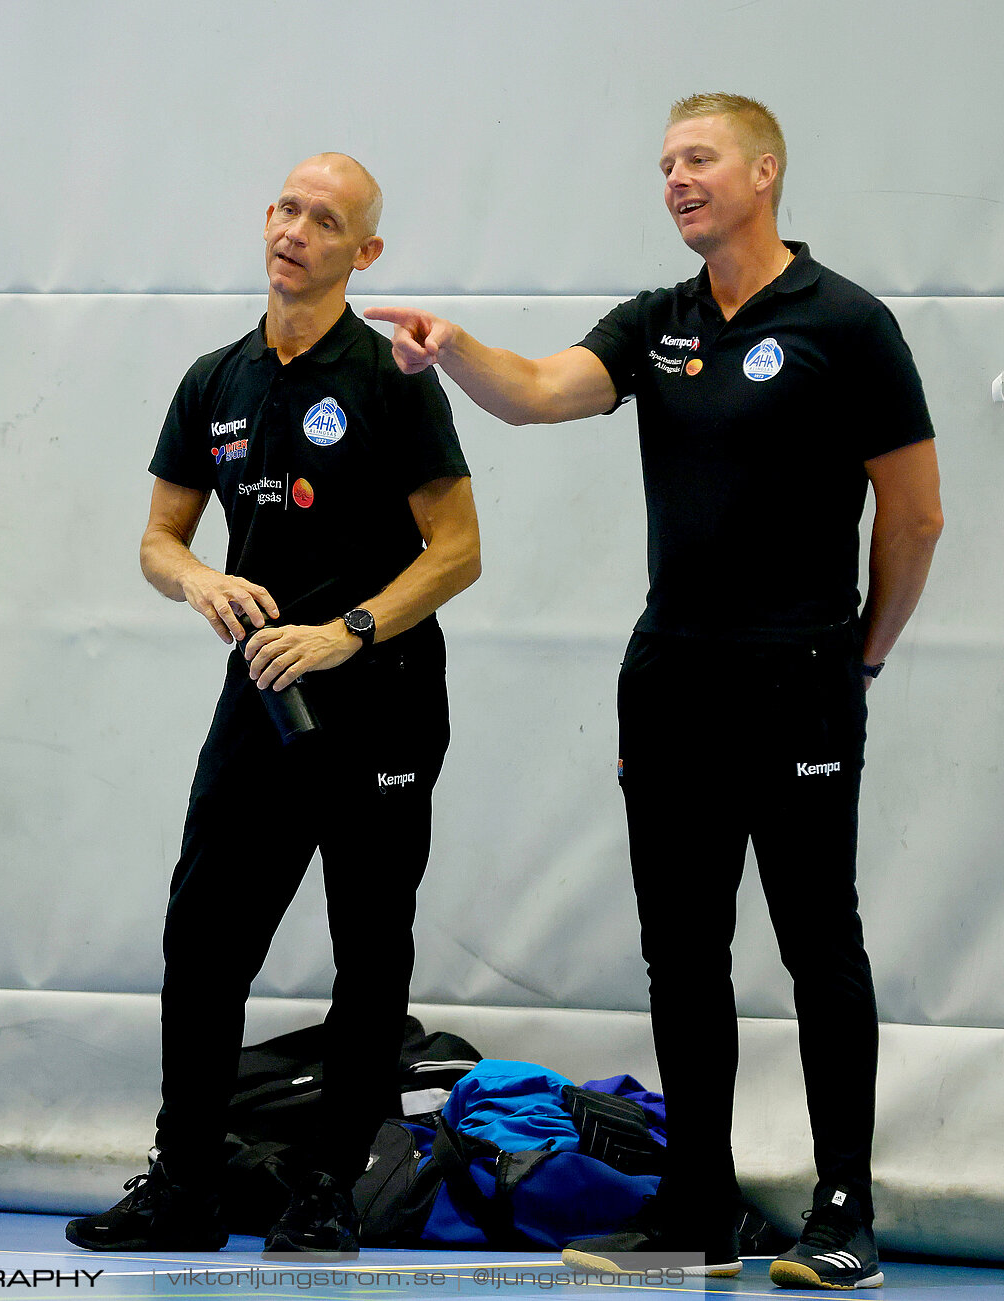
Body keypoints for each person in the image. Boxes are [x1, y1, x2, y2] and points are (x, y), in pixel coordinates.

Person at [366, 93, 941, 1289]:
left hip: (802, 682)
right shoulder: (659, 324)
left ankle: (845, 1209)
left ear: (765, 170)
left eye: (699, 158)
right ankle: (697, 1207)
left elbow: (917, 512)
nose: (675, 178)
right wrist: (453, 347)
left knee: (817, 939)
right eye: (665, 164)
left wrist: (861, 654)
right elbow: (533, 388)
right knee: (683, 952)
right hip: (670, 682)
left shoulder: (849, 322)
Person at [66, 154, 481, 1260]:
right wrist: (196, 577)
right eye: (287, 207)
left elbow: (459, 552)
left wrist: (347, 630)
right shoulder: (217, 377)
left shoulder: (392, 375)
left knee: (368, 944)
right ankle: (188, 1182)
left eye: (326, 218)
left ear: (365, 252)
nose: (297, 228)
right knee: (202, 939)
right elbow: (160, 536)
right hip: (262, 700)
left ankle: (330, 1187)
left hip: (380, 699)